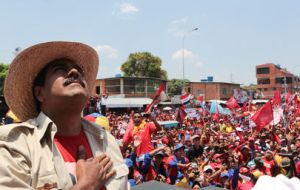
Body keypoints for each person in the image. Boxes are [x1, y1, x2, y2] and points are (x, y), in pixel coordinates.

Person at [0, 41, 128, 190]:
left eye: (79, 70)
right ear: (40, 93)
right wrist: (86, 185)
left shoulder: (107, 140)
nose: (74, 72)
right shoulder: (15, 145)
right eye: (59, 69)